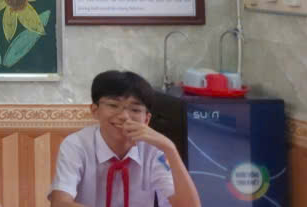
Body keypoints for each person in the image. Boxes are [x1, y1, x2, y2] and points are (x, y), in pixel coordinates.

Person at [49, 71, 201, 207]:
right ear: (95, 110)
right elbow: (60, 203)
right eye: (113, 105)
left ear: (146, 119)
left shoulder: (154, 150)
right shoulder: (76, 145)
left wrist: (170, 149)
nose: (123, 116)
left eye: (135, 109)